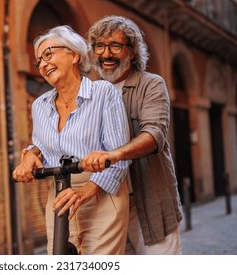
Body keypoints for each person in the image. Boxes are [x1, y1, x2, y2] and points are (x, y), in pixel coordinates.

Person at [12, 25, 131, 255]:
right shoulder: (40, 105)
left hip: (101, 194)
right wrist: (29, 155)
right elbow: (43, 146)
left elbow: (120, 156)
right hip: (59, 195)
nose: (43, 64)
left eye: (48, 54)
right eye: (39, 62)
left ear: (74, 55)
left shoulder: (103, 93)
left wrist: (88, 189)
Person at [84, 15, 183, 255]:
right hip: (106, 203)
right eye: (100, 46)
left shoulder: (151, 84)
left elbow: (154, 133)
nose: (106, 54)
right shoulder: (89, 91)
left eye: (116, 46)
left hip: (148, 201)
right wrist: (32, 150)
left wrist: (113, 155)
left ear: (132, 51)